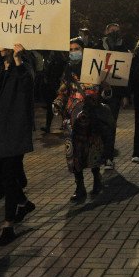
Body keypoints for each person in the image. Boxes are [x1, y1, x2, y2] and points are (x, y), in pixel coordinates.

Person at [0, 43, 36, 246]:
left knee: (10, 176)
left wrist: (19, 60)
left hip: (15, 130)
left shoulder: (25, 64)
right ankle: (24, 203)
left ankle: (8, 225)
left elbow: (28, 85)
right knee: (5, 177)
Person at [53, 38, 114, 201]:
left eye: (77, 49)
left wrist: (106, 89)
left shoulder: (94, 70)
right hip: (72, 120)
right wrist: (57, 103)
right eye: (71, 49)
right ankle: (79, 186)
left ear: (84, 50)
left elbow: (103, 94)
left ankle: (96, 179)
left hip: (91, 118)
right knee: (74, 154)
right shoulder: (68, 70)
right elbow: (63, 91)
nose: (74, 52)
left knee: (93, 151)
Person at [99, 23, 130, 168]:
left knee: (110, 125)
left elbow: (124, 74)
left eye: (117, 31)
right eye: (111, 31)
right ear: (106, 31)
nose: (114, 33)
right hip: (97, 93)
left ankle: (108, 157)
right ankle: (98, 153)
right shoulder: (97, 46)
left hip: (115, 94)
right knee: (98, 125)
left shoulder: (123, 49)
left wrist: (124, 95)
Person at [40, 50, 67, 133]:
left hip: (56, 85)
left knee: (58, 105)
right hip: (52, 85)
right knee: (53, 106)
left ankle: (62, 124)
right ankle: (50, 126)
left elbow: (58, 73)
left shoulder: (59, 59)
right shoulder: (55, 58)